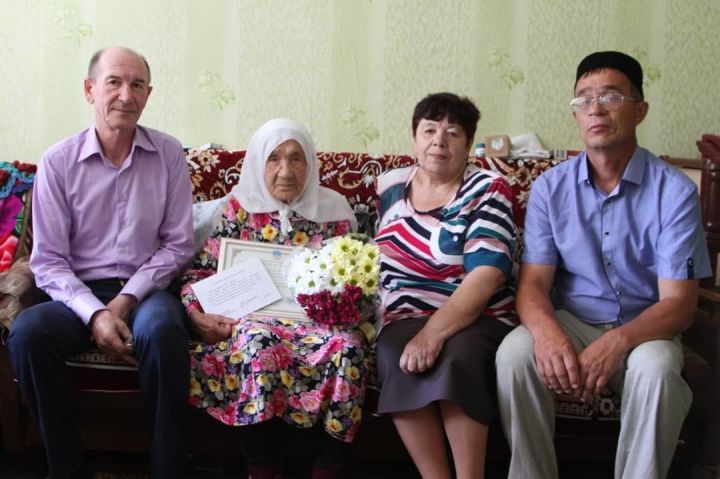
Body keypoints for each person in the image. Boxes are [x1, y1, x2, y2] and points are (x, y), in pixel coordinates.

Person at [495, 51, 712, 479]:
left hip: (645, 326)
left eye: (610, 97)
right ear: (575, 114)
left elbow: (679, 305)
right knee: (515, 355)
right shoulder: (550, 189)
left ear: (640, 110)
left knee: (657, 371)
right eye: (583, 99)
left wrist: (616, 343)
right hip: (573, 318)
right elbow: (533, 284)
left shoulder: (675, 192)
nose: (595, 109)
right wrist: (548, 335)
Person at [7, 47, 194, 479]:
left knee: (163, 332)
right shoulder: (58, 161)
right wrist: (95, 313)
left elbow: (177, 245)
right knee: (28, 333)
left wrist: (125, 301)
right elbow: (49, 260)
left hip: (146, 291)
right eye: (114, 82)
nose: (126, 95)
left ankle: (168, 467)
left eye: (137, 85)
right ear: (90, 90)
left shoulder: (169, 154)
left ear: (148, 95)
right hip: (77, 293)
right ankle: (67, 467)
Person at [181, 118, 367, 479]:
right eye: (274, 158)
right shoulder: (237, 210)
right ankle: (261, 464)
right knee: (256, 340)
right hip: (253, 323)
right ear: (257, 162)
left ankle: (330, 466)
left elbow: (355, 281)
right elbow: (198, 275)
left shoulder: (334, 212)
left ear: (310, 163)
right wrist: (196, 315)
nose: (286, 171)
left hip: (318, 326)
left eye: (296, 158)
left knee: (349, 346)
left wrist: (346, 304)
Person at [373, 92, 517, 479]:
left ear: (468, 145)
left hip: (478, 312)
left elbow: (488, 273)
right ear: (414, 138)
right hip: (405, 311)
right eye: (429, 130)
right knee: (396, 355)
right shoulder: (391, 185)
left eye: (453, 133)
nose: (439, 141)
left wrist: (432, 335)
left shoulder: (488, 188)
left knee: (457, 356)